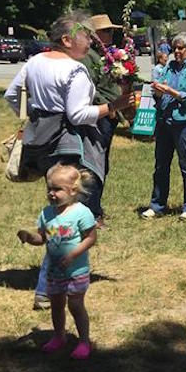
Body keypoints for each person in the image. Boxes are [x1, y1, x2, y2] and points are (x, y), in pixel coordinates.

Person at [4, 12, 133, 309]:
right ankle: (48, 287)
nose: (90, 41)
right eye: (85, 35)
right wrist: (112, 107)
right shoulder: (74, 71)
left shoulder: (34, 62)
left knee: (58, 216)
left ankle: (53, 279)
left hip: (40, 144)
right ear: (66, 40)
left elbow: (12, 96)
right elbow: (77, 115)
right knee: (68, 221)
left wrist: (35, 119)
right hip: (66, 147)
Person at [17, 162, 98, 360]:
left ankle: (84, 341)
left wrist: (72, 255)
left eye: (57, 189)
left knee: (76, 306)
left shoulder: (81, 212)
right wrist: (29, 237)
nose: (52, 193)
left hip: (76, 272)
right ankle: (59, 337)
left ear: (72, 191)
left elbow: (91, 237)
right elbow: (42, 239)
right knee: (56, 305)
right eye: (49, 189)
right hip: (54, 272)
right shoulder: (47, 214)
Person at [142, 34, 186, 221]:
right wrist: (157, 91)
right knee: (161, 165)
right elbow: (160, 92)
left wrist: (173, 92)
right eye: (175, 48)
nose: (176, 52)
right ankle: (157, 206)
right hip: (165, 122)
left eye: (181, 48)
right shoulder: (169, 67)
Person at [80, 13, 127, 224]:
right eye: (106, 31)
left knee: (103, 163)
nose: (110, 35)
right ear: (95, 34)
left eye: (112, 31)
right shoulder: (89, 56)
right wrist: (108, 107)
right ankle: (91, 213)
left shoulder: (107, 54)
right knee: (94, 164)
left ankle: (95, 207)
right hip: (100, 114)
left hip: (111, 113)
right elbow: (89, 88)